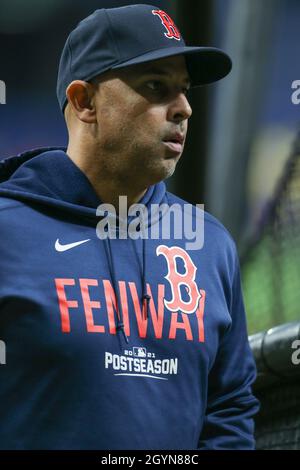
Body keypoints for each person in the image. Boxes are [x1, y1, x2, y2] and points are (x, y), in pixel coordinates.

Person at [0, 4, 259, 450]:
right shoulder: (9, 230)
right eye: (157, 86)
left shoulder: (211, 245)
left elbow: (228, 407)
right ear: (85, 102)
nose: (184, 109)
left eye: (185, 90)